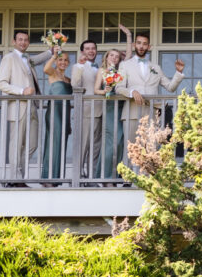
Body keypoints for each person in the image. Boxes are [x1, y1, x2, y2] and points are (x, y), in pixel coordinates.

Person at [71, 24, 133, 183]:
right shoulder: (82, 67)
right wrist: (79, 65)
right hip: (89, 111)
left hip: (108, 111)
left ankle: (94, 177)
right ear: (82, 51)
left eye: (93, 48)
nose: (91, 51)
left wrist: (128, 36)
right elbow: (76, 84)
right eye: (87, 48)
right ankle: (78, 179)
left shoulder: (115, 70)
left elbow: (128, 57)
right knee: (83, 146)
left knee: (98, 148)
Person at [116, 31, 185, 169]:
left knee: (151, 146)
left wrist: (178, 73)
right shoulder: (125, 65)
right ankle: (128, 180)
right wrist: (132, 92)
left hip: (151, 113)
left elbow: (170, 87)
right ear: (135, 44)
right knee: (130, 146)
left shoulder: (156, 68)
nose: (141, 46)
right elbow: (118, 88)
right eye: (139, 43)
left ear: (149, 47)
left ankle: (147, 177)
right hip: (132, 111)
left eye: (145, 44)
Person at [0, 30, 52, 187]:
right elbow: (1, 83)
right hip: (18, 106)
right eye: (20, 40)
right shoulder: (9, 58)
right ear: (14, 41)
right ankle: (15, 178)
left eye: (26, 40)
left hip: (32, 107)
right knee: (16, 143)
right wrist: (21, 91)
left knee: (32, 144)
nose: (23, 42)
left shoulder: (27, 59)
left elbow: (37, 60)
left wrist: (51, 52)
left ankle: (15, 177)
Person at [40, 50, 72, 184]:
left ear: (68, 63)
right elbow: (45, 68)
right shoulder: (53, 73)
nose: (63, 62)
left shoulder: (69, 80)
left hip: (65, 111)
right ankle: (47, 177)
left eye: (65, 60)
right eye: (60, 60)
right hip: (54, 110)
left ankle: (56, 178)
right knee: (53, 142)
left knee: (61, 143)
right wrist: (54, 56)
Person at [94, 49, 126, 183]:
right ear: (107, 57)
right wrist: (104, 91)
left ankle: (114, 176)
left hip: (120, 108)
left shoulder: (120, 72)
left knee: (119, 141)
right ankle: (104, 176)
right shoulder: (101, 71)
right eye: (112, 55)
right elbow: (96, 90)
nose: (114, 58)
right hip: (109, 108)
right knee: (109, 143)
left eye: (117, 57)